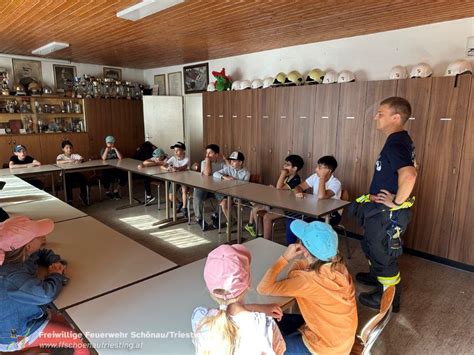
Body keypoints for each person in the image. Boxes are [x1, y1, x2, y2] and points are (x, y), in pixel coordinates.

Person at [349, 96, 417, 313]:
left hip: (387, 214)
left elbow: (410, 174)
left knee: (382, 253)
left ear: (395, 117)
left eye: (380, 113)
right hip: (378, 210)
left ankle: (388, 298)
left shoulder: (397, 141)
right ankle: (376, 278)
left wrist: (396, 202)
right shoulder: (398, 140)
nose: (375, 117)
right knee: (371, 246)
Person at [258, 220, 357, 354]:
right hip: (339, 338)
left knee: (265, 345)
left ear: (305, 251)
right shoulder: (338, 266)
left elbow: (264, 288)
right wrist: (305, 259)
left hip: (324, 348)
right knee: (273, 319)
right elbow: (297, 271)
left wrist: (284, 258)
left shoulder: (307, 281)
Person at [0, 216, 89, 354]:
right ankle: (33, 346)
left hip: (24, 318)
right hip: (14, 335)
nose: (43, 237)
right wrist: (56, 275)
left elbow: (40, 253)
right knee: (78, 338)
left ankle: (39, 347)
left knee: (71, 322)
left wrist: (55, 263)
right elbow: (46, 294)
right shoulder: (12, 276)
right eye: (38, 236)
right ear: (28, 246)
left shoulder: (15, 255)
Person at [192, 244, 286, 355]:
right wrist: (259, 310)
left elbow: (227, 312)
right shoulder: (265, 326)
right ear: (249, 283)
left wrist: (258, 309)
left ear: (210, 290)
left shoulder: (199, 318)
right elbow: (280, 351)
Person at [244, 154, 304, 240]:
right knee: (256, 208)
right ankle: (260, 234)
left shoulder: (296, 179)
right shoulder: (288, 177)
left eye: (287, 165)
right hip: (279, 203)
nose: (284, 166)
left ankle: (266, 240)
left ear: (294, 168)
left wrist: (282, 174)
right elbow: (279, 189)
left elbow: (279, 187)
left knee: (267, 217)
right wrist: (275, 188)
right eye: (285, 164)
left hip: (288, 208)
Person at [290, 155, 342, 243]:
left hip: (330, 215)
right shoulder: (315, 177)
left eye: (319, 167)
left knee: (313, 225)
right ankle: (290, 245)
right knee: (292, 219)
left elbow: (321, 196)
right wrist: (298, 192)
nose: (316, 169)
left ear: (328, 171)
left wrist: (322, 177)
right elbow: (299, 186)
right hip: (314, 211)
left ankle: (310, 249)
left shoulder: (336, 183)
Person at [192, 144, 226, 231]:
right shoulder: (204, 162)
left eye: (210, 153)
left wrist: (225, 159)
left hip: (216, 188)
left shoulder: (222, 164)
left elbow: (231, 170)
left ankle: (215, 215)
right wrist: (207, 161)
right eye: (206, 153)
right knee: (197, 197)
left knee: (224, 199)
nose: (207, 155)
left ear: (216, 154)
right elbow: (207, 173)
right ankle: (199, 218)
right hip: (203, 187)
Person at [213, 151, 250, 223]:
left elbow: (244, 186)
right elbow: (215, 173)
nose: (231, 163)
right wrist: (224, 177)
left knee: (226, 202)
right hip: (228, 193)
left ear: (240, 162)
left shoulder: (246, 173)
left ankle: (231, 221)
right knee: (224, 204)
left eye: (234, 161)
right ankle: (230, 221)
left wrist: (233, 180)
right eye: (231, 161)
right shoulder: (229, 169)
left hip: (239, 195)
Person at [56, 140, 89, 206]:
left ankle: (83, 196)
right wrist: (69, 161)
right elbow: (58, 162)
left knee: (83, 179)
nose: (69, 149)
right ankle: (69, 200)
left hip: (74, 173)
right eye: (67, 148)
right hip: (65, 174)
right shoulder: (61, 156)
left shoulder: (74, 155)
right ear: (63, 149)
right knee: (67, 182)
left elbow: (82, 158)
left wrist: (79, 161)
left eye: (70, 147)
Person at [165, 142, 190, 216]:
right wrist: (168, 168)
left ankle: (184, 208)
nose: (175, 152)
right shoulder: (173, 158)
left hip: (185, 178)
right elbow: (164, 165)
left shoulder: (187, 158)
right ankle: (180, 203)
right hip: (175, 179)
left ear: (183, 151)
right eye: (174, 150)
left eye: (178, 150)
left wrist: (175, 168)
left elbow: (183, 167)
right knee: (170, 196)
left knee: (184, 190)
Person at [100, 135, 126, 200]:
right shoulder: (103, 149)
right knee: (104, 176)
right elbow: (103, 158)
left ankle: (116, 190)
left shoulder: (116, 149)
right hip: (107, 168)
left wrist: (116, 150)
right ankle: (107, 191)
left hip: (116, 168)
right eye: (109, 143)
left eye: (112, 143)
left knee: (124, 176)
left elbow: (120, 158)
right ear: (106, 143)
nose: (110, 144)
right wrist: (106, 150)